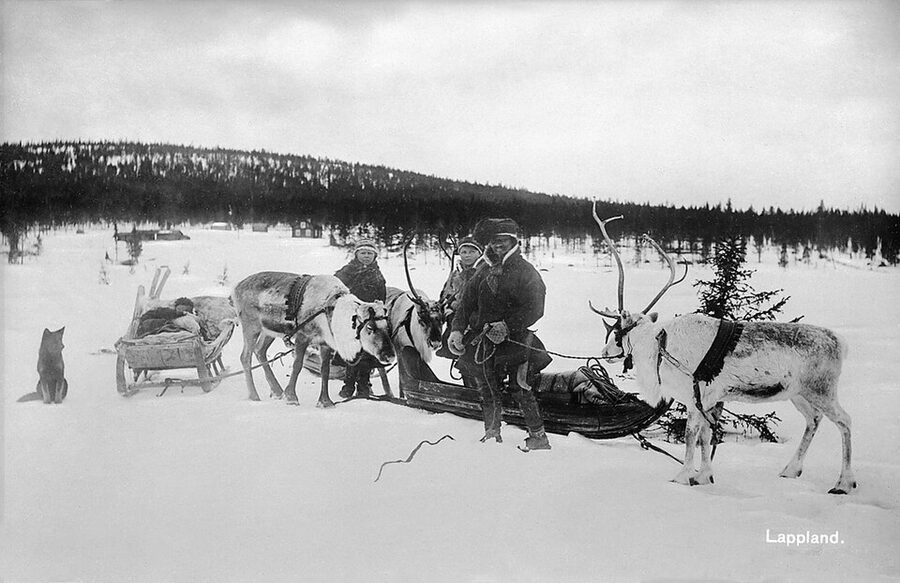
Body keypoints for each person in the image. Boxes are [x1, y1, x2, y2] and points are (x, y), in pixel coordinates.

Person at [448, 219, 552, 451]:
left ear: (514, 242)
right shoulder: (483, 270)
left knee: (520, 387)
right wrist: (456, 329)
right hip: (483, 340)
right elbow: (466, 303)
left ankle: (539, 438)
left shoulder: (526, 271)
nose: (497, 246)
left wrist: (507, 326)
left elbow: (536, 308)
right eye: (494, 242)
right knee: (486, 386)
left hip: (514, 340)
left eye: (503, 241)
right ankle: (492, 433)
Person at [334, 238, 387, 399]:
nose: (366, 256)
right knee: (352, 350)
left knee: (367, 351)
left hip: (369, 319)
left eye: (370, 253)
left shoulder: (376, 274)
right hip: (350, 317)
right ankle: (348, 384)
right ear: (356, 254)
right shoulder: (347, 271)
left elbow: (381, 293)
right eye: (363, 253)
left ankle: (364, 384)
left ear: (375, 256)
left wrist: (379, 304)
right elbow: (336, 289)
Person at [436, 236, 483, 384]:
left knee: (475, 356)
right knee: (460, 353)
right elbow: (445, 296)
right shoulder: (455, 274)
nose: (467, 255)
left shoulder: (484, 271)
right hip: (457, 321)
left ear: (479, 253)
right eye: (464, 252)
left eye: (471, 251)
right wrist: (449, 311)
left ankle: (480, 388)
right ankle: (469, 385)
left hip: (477, 321)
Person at [136, 297, 209, 339]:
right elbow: (148, 316)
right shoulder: (166, 313)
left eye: (186, 310)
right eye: (180, 309)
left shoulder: (191, 320)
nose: (183, 312)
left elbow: (200, 330)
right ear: (175, 309)